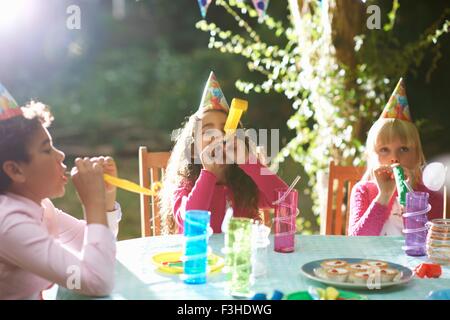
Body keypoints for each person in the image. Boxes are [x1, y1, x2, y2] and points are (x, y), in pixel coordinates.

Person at [0, 83, 121, 299]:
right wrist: (92, 204)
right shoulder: (10, 223)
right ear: (15, 170)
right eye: (47, 149)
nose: (61, 155)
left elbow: (95, 242)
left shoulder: (41, 207)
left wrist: (105, 201)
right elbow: (98, 281)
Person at [159, 72, 289, 234]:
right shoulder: (185, 185)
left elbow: (287, 202)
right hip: (201, 258)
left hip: (241, 257)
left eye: (225, 129)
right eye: (208, 132)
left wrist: (248, 162)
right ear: (192, 150)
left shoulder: (245, 182)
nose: (218, 136)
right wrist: (208, 174)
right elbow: (190, 222)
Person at [349, 78, 443, 236]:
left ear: (417, 156)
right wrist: (384, 196)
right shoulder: (363, 191)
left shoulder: (430, 194)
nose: (395, 158)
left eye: (404, 149)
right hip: (371, 260)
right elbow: (357, 241)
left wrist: (407, 197)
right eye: (384, 149)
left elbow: (425, 242)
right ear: (372, 157)